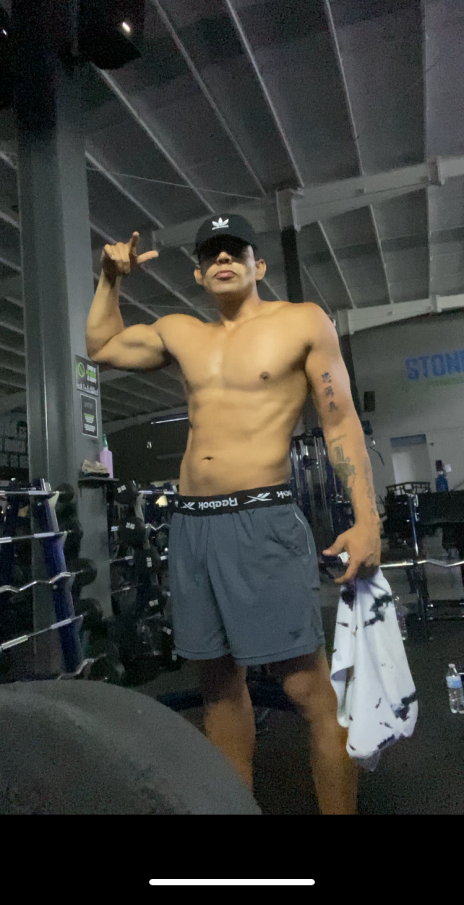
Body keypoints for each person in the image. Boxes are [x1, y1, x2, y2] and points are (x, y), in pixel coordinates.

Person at [86, 214, 381, 815]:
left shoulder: (302, 322)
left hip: (261, 519)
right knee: (219, 692)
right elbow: (101, 347)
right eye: (211, 254)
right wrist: (110, 280)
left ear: (257, 265)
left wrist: (367, 517)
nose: (223, 259)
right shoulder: (181, 332)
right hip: (192, 527)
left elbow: (339, 422)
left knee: (308, 690)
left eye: (235, 250)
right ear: (198, 274)